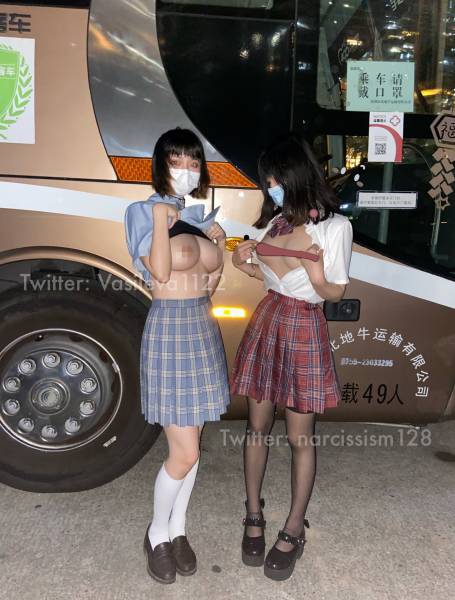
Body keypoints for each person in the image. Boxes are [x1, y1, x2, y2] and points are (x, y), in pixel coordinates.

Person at [230, 134, 353, 581]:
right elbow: (268, 277)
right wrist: (243, 263)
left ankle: (294, 527)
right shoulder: (275, 223)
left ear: (297, 175)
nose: (271, 187)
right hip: (268, 320)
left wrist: (317, 276)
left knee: (300, 436)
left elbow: (334, 292)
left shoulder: (334, 227)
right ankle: (253, 513)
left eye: (276, 179)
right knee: (256, 426)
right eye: (267, 181)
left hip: (303, 325)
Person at [124, 128, 230, 585]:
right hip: (169, 330)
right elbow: (162, 273)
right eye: (176, 161)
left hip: (201, 327)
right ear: (160, 165)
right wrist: (161, 219)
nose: (186, 170)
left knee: (193, 445)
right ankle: (156, 533)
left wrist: (218, 242)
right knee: (183, 453)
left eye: (193, 162)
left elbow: (211, 283)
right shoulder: (142, 212)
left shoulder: (198, 216)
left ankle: (178, 529)